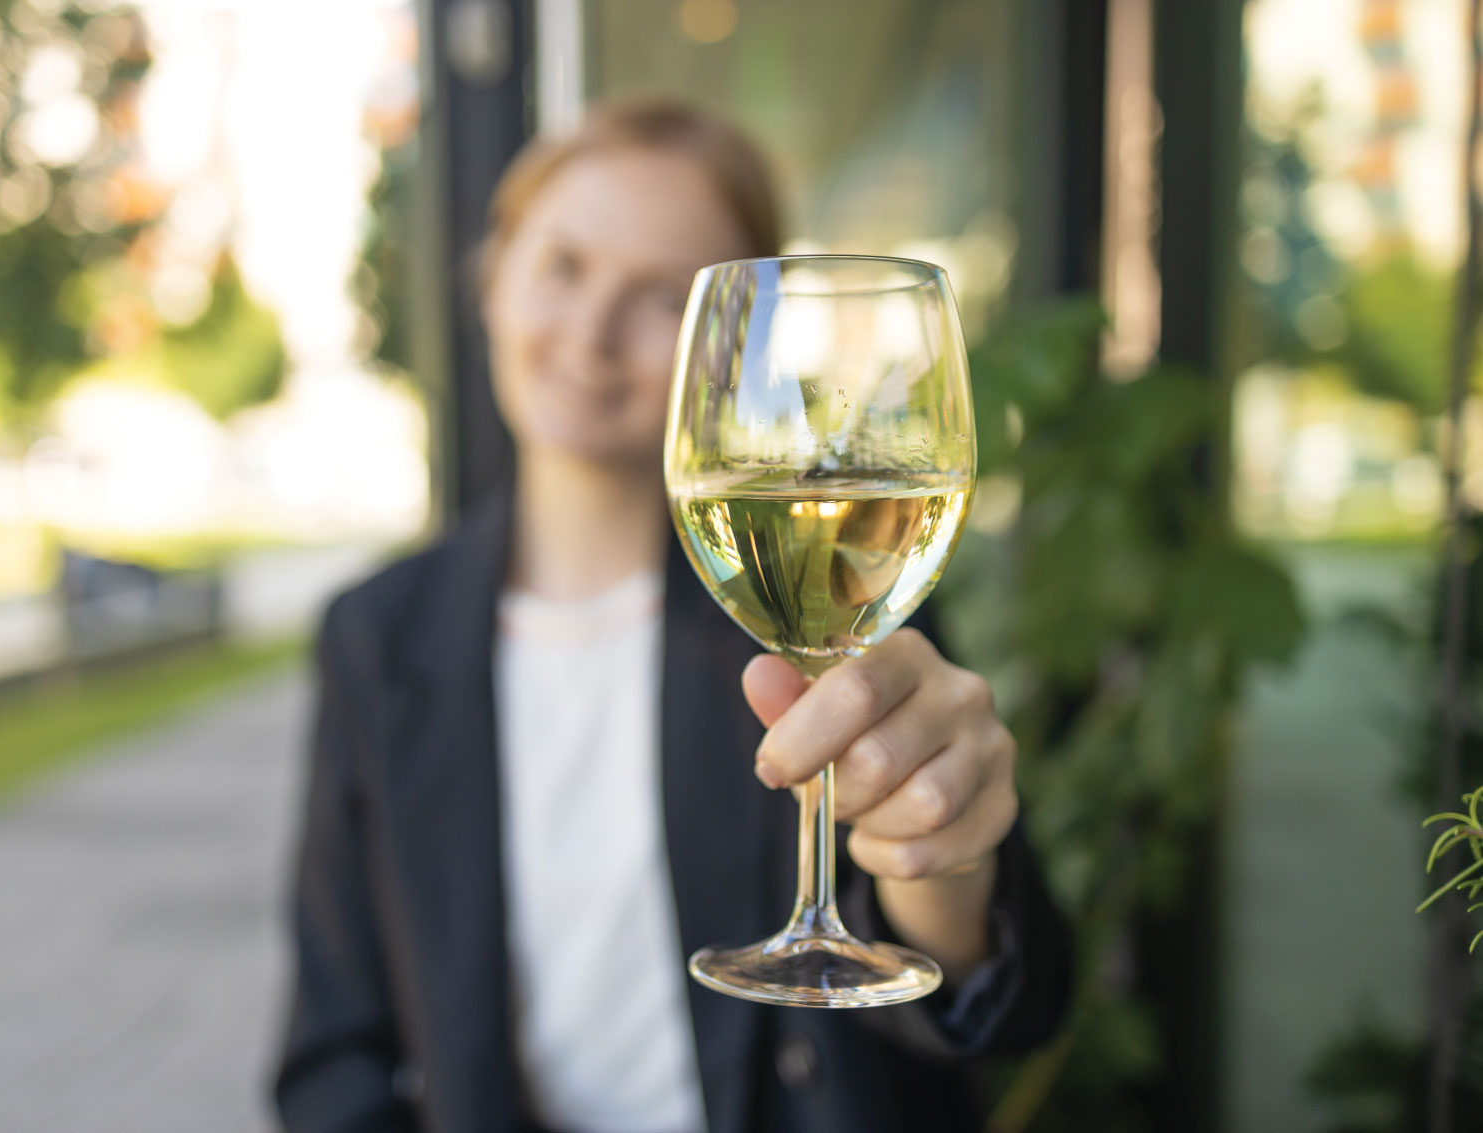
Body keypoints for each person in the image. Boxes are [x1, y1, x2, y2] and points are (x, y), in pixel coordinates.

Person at [273, 96, 1072, 1133]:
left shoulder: (822, 587)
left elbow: (1002, 1004)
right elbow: (332, 1060)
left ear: (736, 353)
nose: (591, 335)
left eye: (658, 297)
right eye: (562, 266)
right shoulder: (376, 636)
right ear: (494, 273)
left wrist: (944, 861)